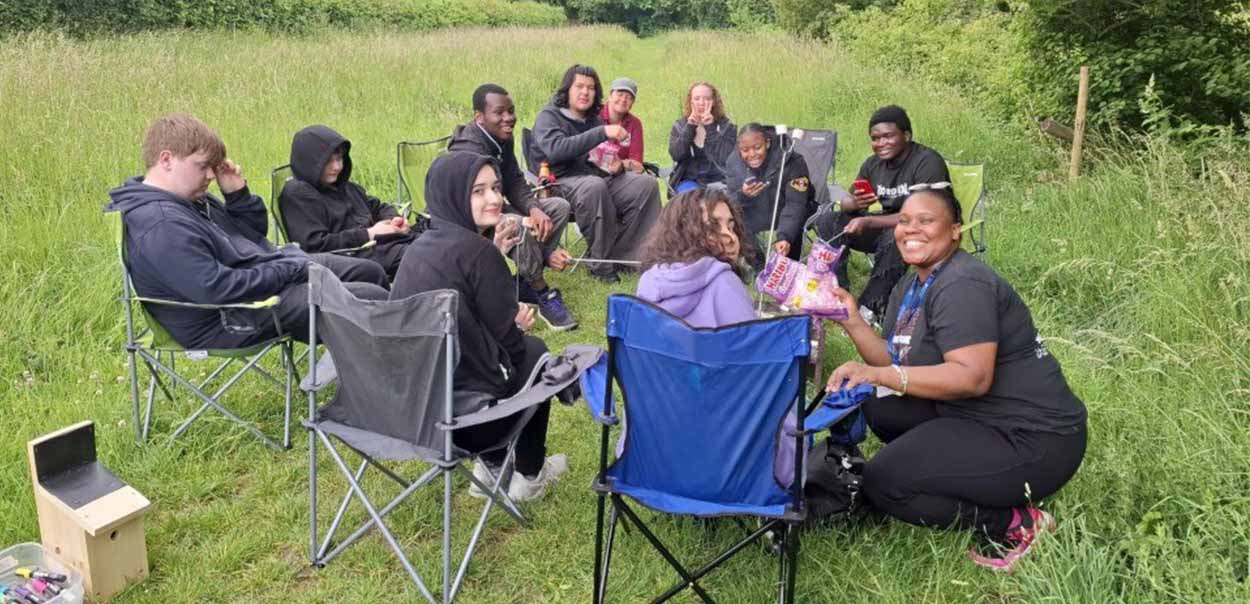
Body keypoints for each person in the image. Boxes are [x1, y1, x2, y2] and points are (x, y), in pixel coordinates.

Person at [824, 188, 1087, 573]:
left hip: (1035, 438)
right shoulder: (913, 283)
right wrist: (851, 320)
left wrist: (879, 374)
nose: (911, 229)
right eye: (904, 221)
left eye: (926, 221)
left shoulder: (963, 284)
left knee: (885, 482)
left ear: (955, 231)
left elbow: (971, 377)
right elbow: (897, 361)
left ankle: (1020, 523)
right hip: (981, 417)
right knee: (879, 402)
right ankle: (953, 473)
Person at [105, 113, 389, 351]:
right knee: (368, 297)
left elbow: (251, 237)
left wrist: (237, 195)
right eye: (203, 166)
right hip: (224, 319)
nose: (210, 176)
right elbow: (215, 289)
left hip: (258, 277)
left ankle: (372, 372)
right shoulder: (160, 222)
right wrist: (288, 271)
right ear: (166, 160)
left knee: (368, 272)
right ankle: (379, 388)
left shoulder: (188, 199)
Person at [391, 151, 567, 502]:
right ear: (453, 194)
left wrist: (492, 258)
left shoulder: (418, 249)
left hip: (408, 410)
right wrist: (513, 326)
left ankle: (491, 468)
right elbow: (511, 350)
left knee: (488, 357)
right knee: (536, 355)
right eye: (478, 191)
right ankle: (529, 475)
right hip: (464, 424)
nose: (495, 199)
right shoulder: (478, 255)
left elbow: (453, 314)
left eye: (496, 188)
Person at [449, 83, 578, 331]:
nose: (509, 118)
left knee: (557, 207)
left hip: (495, 209)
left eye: (511, 110)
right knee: (515, 225)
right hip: (469, 223)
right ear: (480, 117)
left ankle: (525, 279)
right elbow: (471, 207)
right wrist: (520, 218)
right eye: (499, 112)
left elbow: (514, 180)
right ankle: (542, 291)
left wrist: (533, 208)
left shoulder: (500, 138)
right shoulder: (467, 151)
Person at [814, 105, 951, 321]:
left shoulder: (926, 161)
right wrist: (851, 203)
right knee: (829, 221)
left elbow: (924, 215)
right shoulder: (873, 165)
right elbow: (850, 202)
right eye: (875, 138)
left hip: (922, 230)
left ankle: (870, 307)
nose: (881, 144)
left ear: (906, 135)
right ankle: (837, 292)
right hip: (883, 224)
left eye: (888, 136)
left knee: (899, 234)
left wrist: (869, 221)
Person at [532, 64, 662, 283]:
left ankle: (625, 255)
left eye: (591, 88)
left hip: (595, 177)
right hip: (559, 183)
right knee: (594, 185)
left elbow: (599, 156)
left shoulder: (593, 118)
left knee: (646, 184)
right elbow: (556, 150)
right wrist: (601, 132)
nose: (585, 92)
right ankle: (600, 264)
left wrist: (617, 166)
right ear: (567, 89)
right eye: (579, 86)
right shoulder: (550, 116)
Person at [279, 125, 415, 280]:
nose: (337, 167)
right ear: (312, 164)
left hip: (381, 246)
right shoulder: (298, 194)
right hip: (351, 258)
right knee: (421, 257)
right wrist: (368, 234)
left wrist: (394, 221)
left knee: (435, 244)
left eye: (339, 158)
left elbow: (377, 206)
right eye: (328, 162)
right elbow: (314, 245)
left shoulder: (344, 187)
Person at [636, 187, 756, 328]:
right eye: (713, 227)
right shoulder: (725, 281)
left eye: (731, 227)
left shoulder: (649, 280)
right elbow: (754, 346)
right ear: (682, 232)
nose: (731, 237)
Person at [724, 123, 815, 266]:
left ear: (767, 143)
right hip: (759, 212)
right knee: (733, 218)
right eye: (745, 150)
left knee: (797, 219)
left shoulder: (792, 160)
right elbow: (730, 203)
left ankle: (787, 265)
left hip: (790, 210)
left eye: (757, 147)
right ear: (738, 148)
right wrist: (743, 195)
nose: (752, 154)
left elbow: (795, 204)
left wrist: (784, 236)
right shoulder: (733, 163)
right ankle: (759, 266)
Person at [668, 81, 736, 194]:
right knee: (692, 201)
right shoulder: (680, 126)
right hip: (689, 180)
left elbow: (727, 157)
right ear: (690, 102)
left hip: (721, 179)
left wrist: (711, 128)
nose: (701, 103)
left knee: (723, 199)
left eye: (707, 98)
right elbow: (676, 155)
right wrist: (690, 127)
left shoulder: (726, 126)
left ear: (713, 102)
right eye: (697, 98)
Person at [598, 77, 646, 173]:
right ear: (610, 96)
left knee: (648, 182)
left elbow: (637, 165)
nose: (623, 100)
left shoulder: (635, 124)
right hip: (591, 173)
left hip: (620, 175)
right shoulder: (594, 115)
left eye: (629, 97)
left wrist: (620, 165)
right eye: (620, 94)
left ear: (632, 103)